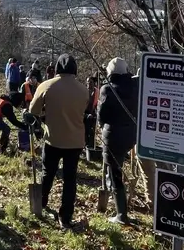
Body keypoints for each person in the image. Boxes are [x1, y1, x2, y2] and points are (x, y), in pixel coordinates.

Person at [29, 54, 91, 229]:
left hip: (53, 138)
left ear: (57, 68)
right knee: (70, 179)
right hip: (75, 141)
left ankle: (41, 202)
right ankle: (65, 217)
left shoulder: (46, 85)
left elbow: (33, 110)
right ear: (75, 69)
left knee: (48, 173)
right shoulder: (83, 90)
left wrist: (45, 113)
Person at [98, 57, 154, 224]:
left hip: (113, 136)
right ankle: (151, 202)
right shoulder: (136, 86)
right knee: (142, 169)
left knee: (115, 174)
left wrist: (102, 127)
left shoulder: (107, 89)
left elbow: (102, 116)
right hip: (133, 133)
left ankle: (121, 214)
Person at [84, 75, 100, 150]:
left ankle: (91, 145)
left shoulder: (96, 91)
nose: (89, 84)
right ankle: (85, 145)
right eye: (87, 82)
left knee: (92, 131)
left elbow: (97, 103)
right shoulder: (84, 91)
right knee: (85, 130)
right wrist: (86, 115)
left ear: (94, 83)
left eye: (90, 82)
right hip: (84, 114)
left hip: (93, 113)